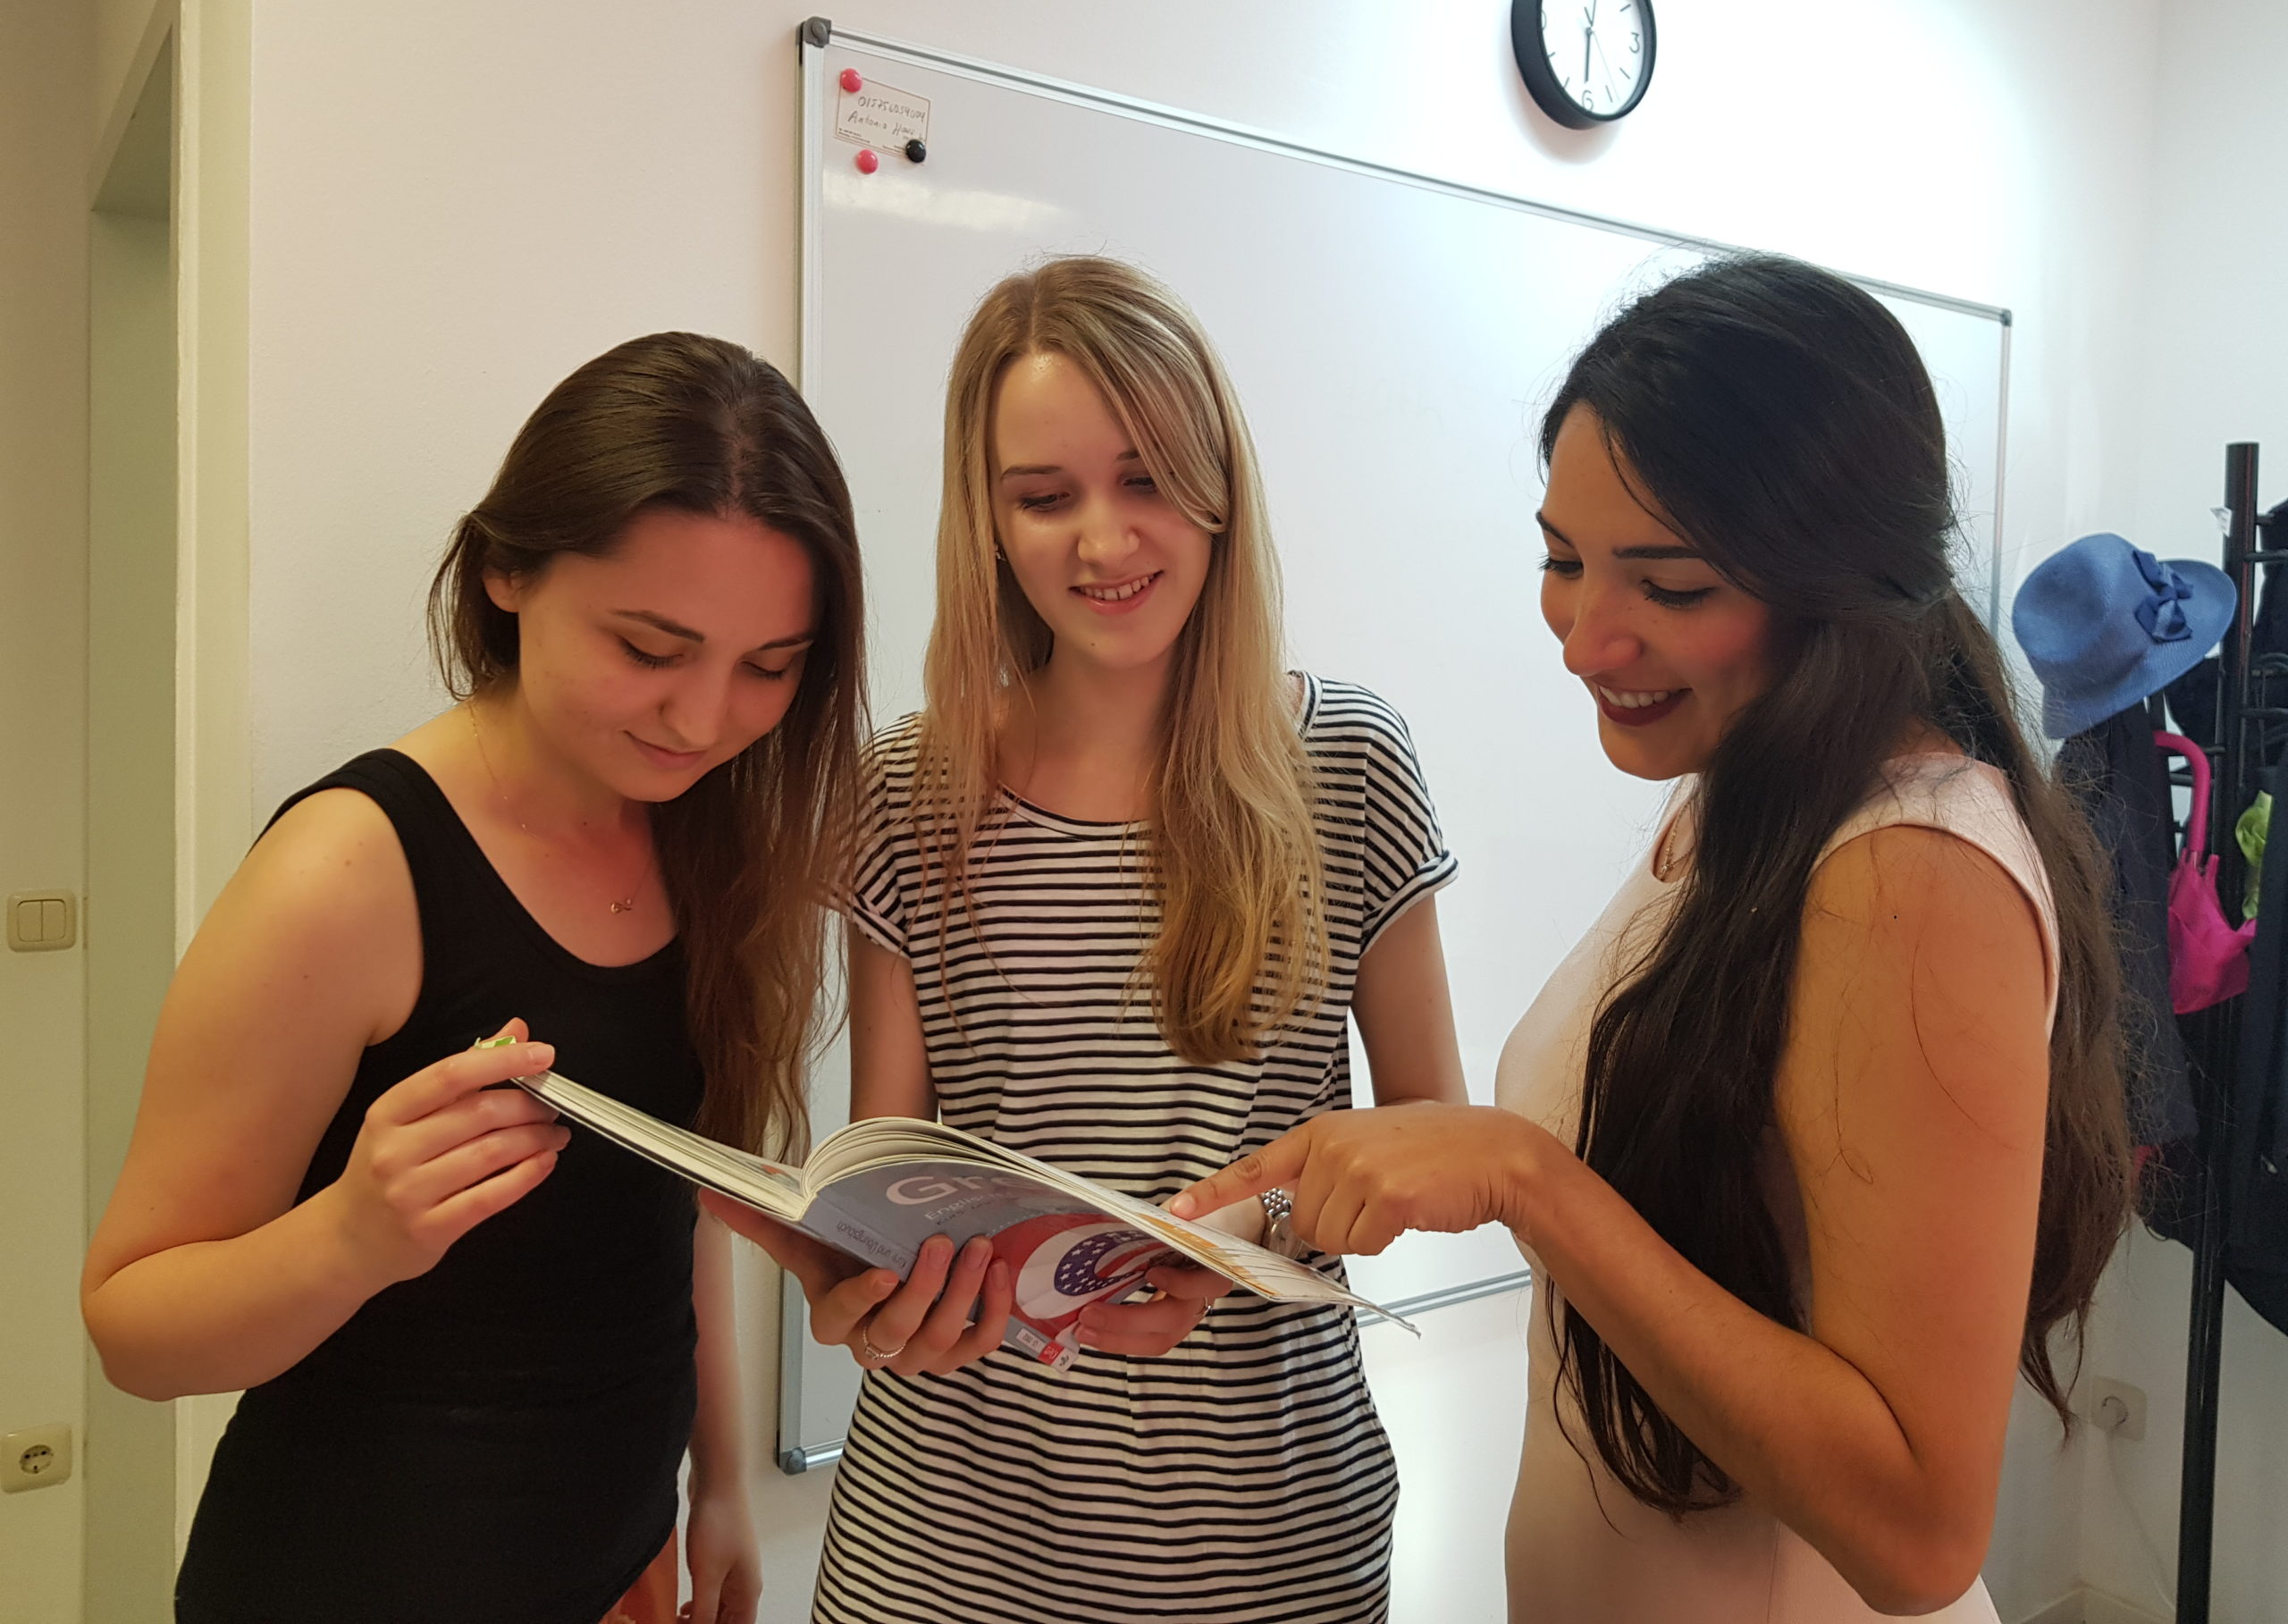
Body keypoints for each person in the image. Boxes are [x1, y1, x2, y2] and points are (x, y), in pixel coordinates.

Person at [1173, 254, 2133, 1622]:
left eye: (1668, 586)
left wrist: (1527, 1181)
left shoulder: (1913, 870)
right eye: (1563, 562)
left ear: (1841, 583)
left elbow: (1919, 1532)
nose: (1585, 639)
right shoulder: (1745, 800)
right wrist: (1246, 1224)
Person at [708, 257, 1467, 1623]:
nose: (1103, 543)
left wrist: (1242, 1233)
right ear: (987, 521)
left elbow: (1433, 1141)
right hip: (940, 1553)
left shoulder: (1348, 763)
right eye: (1045, 497)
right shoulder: (908, 788)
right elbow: (894, 1159)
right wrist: (866, 1289)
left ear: (1218, 486)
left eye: (1147, 480)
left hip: (1267, 1547)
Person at [81, 332, 868, 1624]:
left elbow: (666, 1198)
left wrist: (720, 1480)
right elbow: (132, 1331)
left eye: (768, 668)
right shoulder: (348, 872)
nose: (702, 719)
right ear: (507, 569)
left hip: (619, 1565)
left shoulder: (701, 838)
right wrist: (350, 1238)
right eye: (650, 648)